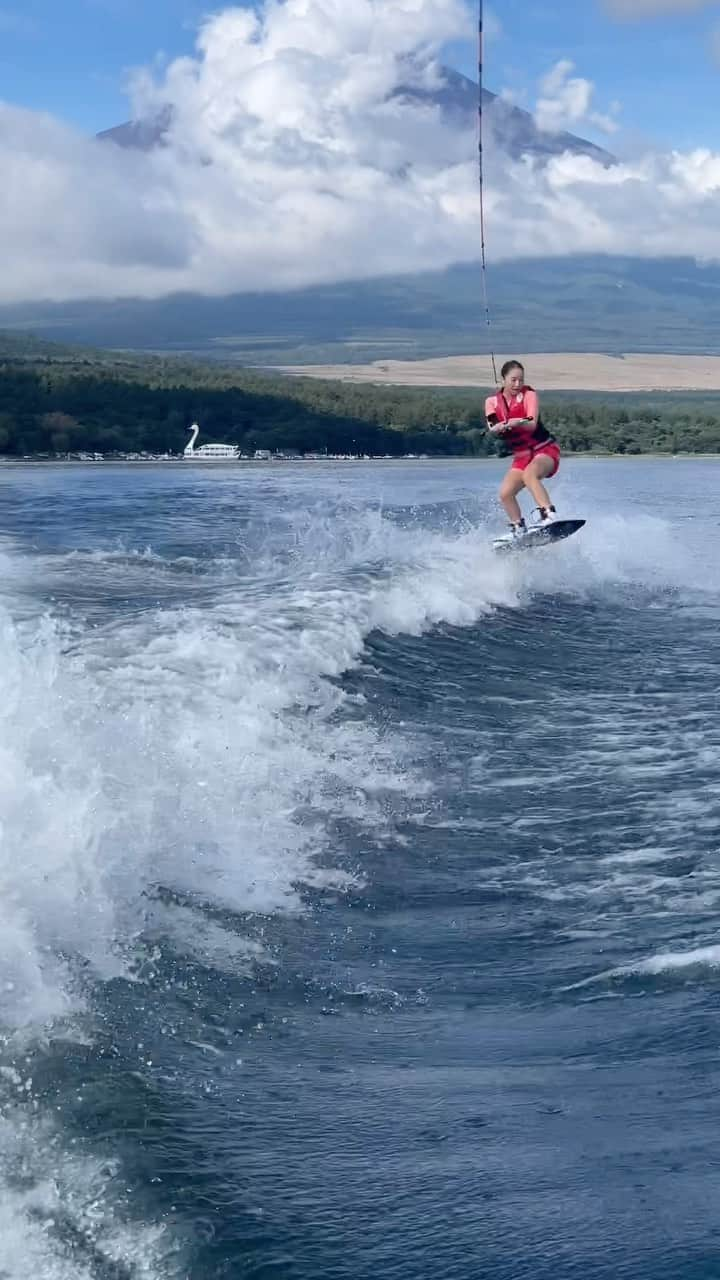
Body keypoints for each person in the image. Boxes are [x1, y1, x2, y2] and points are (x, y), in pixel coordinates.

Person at [485, 359, 561, 541]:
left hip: (544, 449)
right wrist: (499, 426)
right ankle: (518, 526)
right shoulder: (491, 402)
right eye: (513, 380)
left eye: (521, 380)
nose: (518, 384)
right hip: (522, 456)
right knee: (505, 493)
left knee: (529, 475)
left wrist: (517, 422)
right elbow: (492, 425)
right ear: (503, 379)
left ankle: (548, 514)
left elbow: (532, 423)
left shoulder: (529, 395)